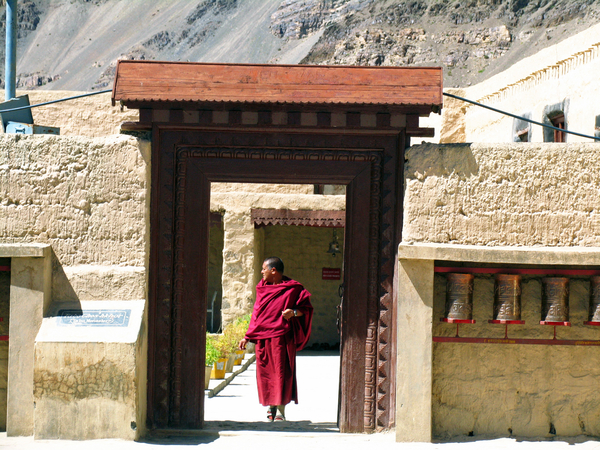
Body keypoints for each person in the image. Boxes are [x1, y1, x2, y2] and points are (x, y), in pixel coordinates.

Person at [239, 256, 313, 422]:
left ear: (273, 271)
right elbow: (256, 314)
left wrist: (293, 312)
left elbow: (306, 309)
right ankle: (271, 407)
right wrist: (247, 336)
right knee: (266, 373)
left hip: (282, 337)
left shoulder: (293, 288)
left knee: (281, 372)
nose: (261, 272)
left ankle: (280, 410)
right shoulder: (261, 288)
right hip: (263, 338)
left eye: (264, 268)